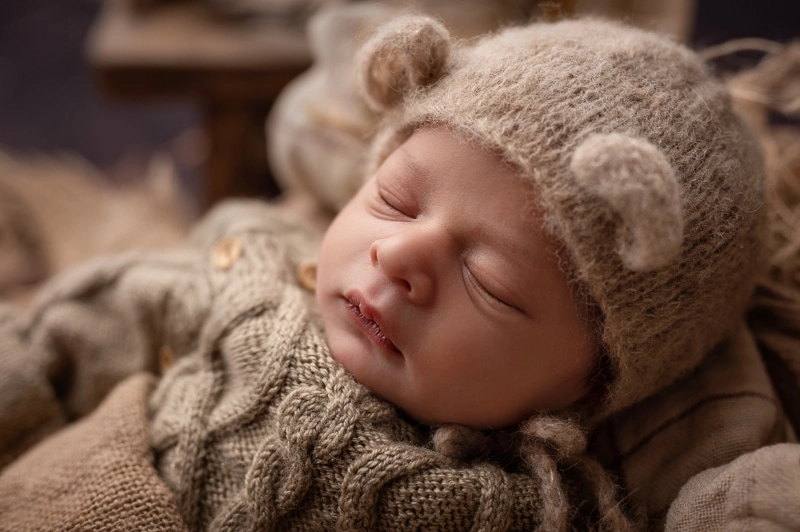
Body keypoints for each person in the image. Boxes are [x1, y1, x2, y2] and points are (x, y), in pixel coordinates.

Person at [0, 15, 788, 531]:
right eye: (397, 200)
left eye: (492, 283)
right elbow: (67, 335)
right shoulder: (253, 277)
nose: (400, 258)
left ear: (588, 383)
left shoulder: (558, 492)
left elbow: (729, 478)